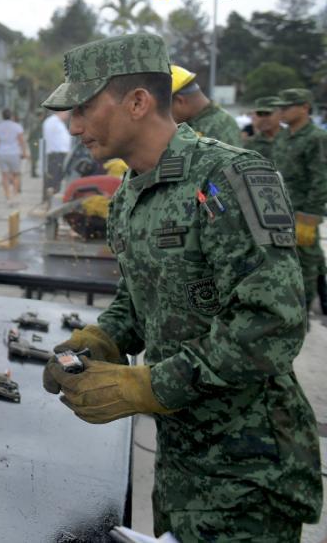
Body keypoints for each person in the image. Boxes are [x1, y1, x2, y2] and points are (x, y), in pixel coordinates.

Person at [41, 33, 321, 542]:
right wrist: (106, 337)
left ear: (139, 102)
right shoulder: (132, 192)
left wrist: (149, 385)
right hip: (179, 461)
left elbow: (272, 326)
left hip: (249, 472)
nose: (74, 126)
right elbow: (140, 296)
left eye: (83, 107)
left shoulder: (231, 177)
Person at [273, 87, 327, 314]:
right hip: (280, 208)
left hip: (302, 211)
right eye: (281, 107)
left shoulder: (316, 138)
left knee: (305, 260)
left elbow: (321, 178)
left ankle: (303, 311)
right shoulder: (284, 135)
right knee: (284, 260)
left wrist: (310, 218)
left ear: (305, 107)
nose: (282, 112)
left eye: (288, 107)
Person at [169, 65, 242, 146]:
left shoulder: (215, 128)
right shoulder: (207, 121)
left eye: (164, 108)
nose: (165, 115)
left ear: (180, 101)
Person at [0, 108, 27, 206]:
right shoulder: (17, 126)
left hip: (2, 153)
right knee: (16, 175)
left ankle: (8, 197)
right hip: (14, 153)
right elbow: (21, 140)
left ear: (2, 116)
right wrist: (24, 152)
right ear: (11, 115)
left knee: (4, 176)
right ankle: (15, 195)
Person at [41, 109, 72, 197]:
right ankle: (50, 196)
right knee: (54, 177)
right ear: (61, 112)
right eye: (67, 113)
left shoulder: (58, 122)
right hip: (56, 153)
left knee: (58, 177)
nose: (68, 115)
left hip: (60, 153)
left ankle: (54, 194)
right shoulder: (52, 122)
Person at [246, 96, 283, 161]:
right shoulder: (249, 145)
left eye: (268, 114)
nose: (263, 118)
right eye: (259, 114)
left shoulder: (293, 140)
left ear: (280, 114)